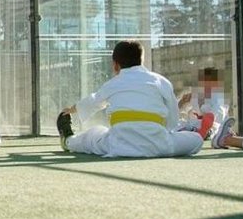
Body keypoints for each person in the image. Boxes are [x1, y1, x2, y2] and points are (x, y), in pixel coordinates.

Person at [56, 40, 203, 158]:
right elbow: (172, 116)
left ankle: (68, 141)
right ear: (142, 60)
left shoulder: (113, 84)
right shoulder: (160, 81)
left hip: (118, 144)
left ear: (115, 65)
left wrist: (72, 109)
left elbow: (95, 101)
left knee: (92, 136)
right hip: (159, 145)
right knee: (196, 139)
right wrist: (166, 133)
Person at [176, 67, 228, 140]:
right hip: (194, 125)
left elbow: (218, 114)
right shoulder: (195, 95)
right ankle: (194, 132)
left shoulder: (218, 97)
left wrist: (206, 119)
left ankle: (204, 132)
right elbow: (177, 109)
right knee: (179, 125)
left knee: (211, 127)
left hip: (212, 126)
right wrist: (182, 102)